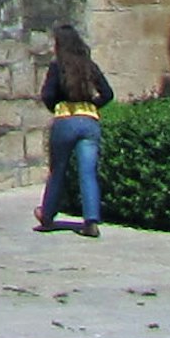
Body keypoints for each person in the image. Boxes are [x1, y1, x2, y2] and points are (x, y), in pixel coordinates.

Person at [37, 22, 114, 236]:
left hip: (65, 121)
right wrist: (91, 106)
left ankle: (47, 216)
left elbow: (48, 95)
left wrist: (58, 108)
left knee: (58, 170)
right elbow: (108, 93)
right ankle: (91, 221)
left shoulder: (57, 66)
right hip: (89, 122)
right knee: (88, 172)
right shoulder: (89, 65)